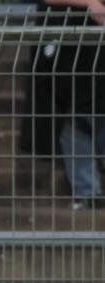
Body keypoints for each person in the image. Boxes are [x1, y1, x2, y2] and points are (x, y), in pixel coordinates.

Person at [40, 0, 105, 210]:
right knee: (74, 118)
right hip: (71, 44)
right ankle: (87, 194)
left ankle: (88, 193)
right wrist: (90, 2)